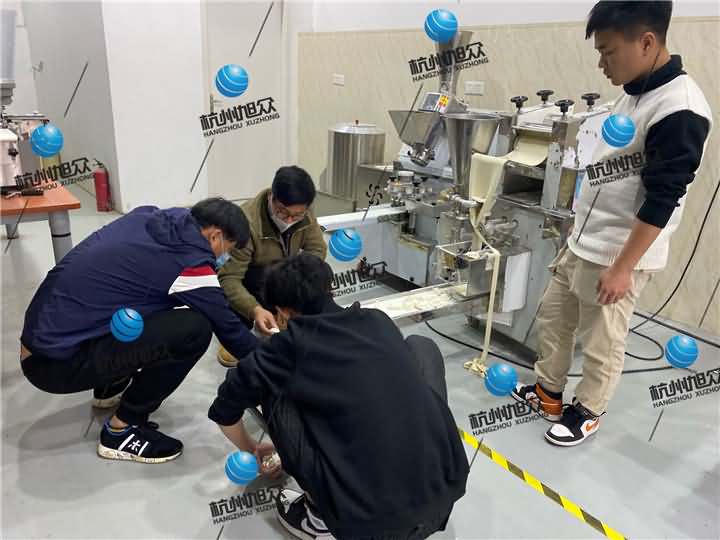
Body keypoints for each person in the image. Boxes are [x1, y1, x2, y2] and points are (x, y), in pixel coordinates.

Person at [513, 0, 712, 446]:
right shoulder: (634, 89)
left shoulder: (680, 110)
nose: (602, 64)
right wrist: (578, 221)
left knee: (601, 339)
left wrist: (623, 268)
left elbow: (663, 199)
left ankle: (588, 410)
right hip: (585, 239)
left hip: (618, 252)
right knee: (554, 317)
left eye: (608, 52)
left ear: (647, 42)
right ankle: (548, 392)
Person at [208, 253, 469, 540]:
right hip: (445, 495)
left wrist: (253, 449)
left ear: (282, 312)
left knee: (271, 386)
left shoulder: (282, 351)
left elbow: (224, 409)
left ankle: (317, 515)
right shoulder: (377, 320)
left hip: (367, 527)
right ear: (330, 289)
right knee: (420, 346)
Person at [20, 198, 259, 463]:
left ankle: (109, 385)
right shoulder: (190, 264)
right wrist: (282, 362)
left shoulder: (148, 217)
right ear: (215, 236)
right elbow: (230, 331)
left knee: (148, 300)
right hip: (53, 366)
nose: (225, 258)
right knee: (195, 329)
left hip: (44, 341)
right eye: (229, 249)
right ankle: (122, 429)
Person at [216, 165, 327, 367]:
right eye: (283, 212)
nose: (290, 220)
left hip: (283, 273)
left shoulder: (305, 213)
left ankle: (290, 320)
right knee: (236, 303)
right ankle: (237, 330)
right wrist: (254, 310)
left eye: (297, 215)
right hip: (252, 278)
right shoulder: (246, 222)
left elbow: (317, 250)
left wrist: (296, 283)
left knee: (316, 277)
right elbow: (229, 279)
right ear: (271, 197)